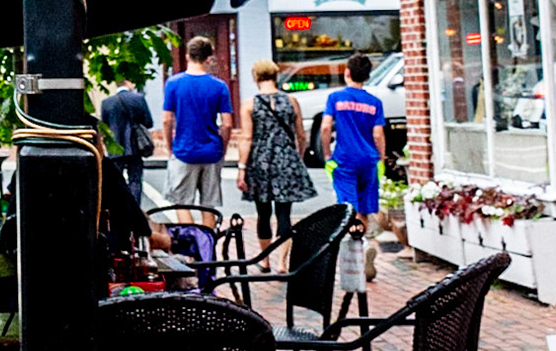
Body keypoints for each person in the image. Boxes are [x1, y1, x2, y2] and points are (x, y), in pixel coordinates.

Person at [235, 59, 317, 266]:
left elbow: (246, 138)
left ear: (255, 78)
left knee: (263, 213)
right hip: (286, 160)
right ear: (275, 76)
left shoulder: (250, 104)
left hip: (260, 161)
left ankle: (265, 261)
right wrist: (296, 156)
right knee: (284, 214)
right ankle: (282, 262)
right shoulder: (291, 101)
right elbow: (301, 135)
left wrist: (242, 168)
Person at [320, 53, 388, 280]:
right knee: (365, 209)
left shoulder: (335, 98)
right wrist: (381, 157)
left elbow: (325, 127)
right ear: (367, 76)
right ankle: (364, 244)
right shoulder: (374, 102)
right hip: (368, 160)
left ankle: (357, 256)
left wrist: (327, 153)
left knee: (348, 209)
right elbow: (378, 134)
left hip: (345, 159)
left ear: (347, 72)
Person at [161, 36, 234, 221]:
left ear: (187, 56)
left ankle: (192, 247)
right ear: (209, 58)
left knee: (181, 203)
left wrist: (170, 146)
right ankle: (207, 248)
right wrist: (222, 147)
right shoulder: (219, 86)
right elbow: (227, 123)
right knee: (208, 206)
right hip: (211, 151)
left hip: (184, 149)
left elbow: (166, 120)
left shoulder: (173, 84)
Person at [99, 78, 153, 206]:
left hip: (115, 146)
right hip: (135, 145)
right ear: (128, 83)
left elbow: (104, 127)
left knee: (115, 180)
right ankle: (134, 208)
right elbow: (148, 122)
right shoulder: (138, 99)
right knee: (135, 179)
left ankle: (118, 208)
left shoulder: (107, 103)